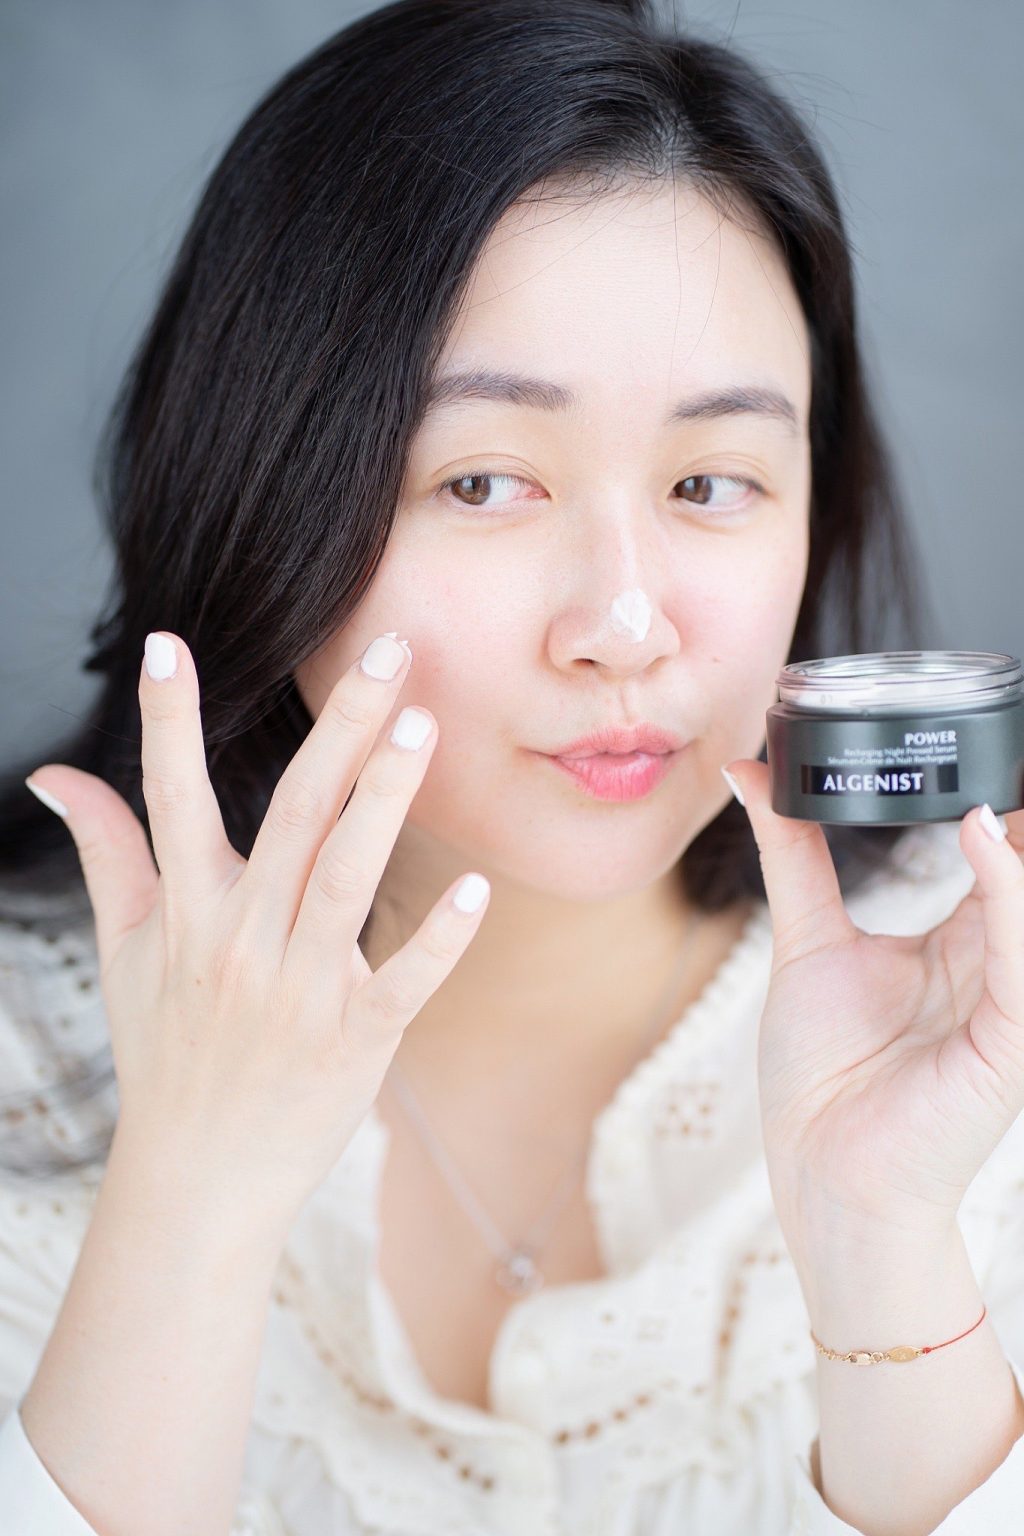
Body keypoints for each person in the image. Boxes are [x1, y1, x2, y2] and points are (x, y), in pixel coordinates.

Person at [1, 1, 1023, 1532]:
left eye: (711, 482)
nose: (624, 625)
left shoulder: (976, 993)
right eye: (484, 482)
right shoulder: (23, 1053)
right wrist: (190, 1202)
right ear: (266, 489)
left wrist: (886, 1242)